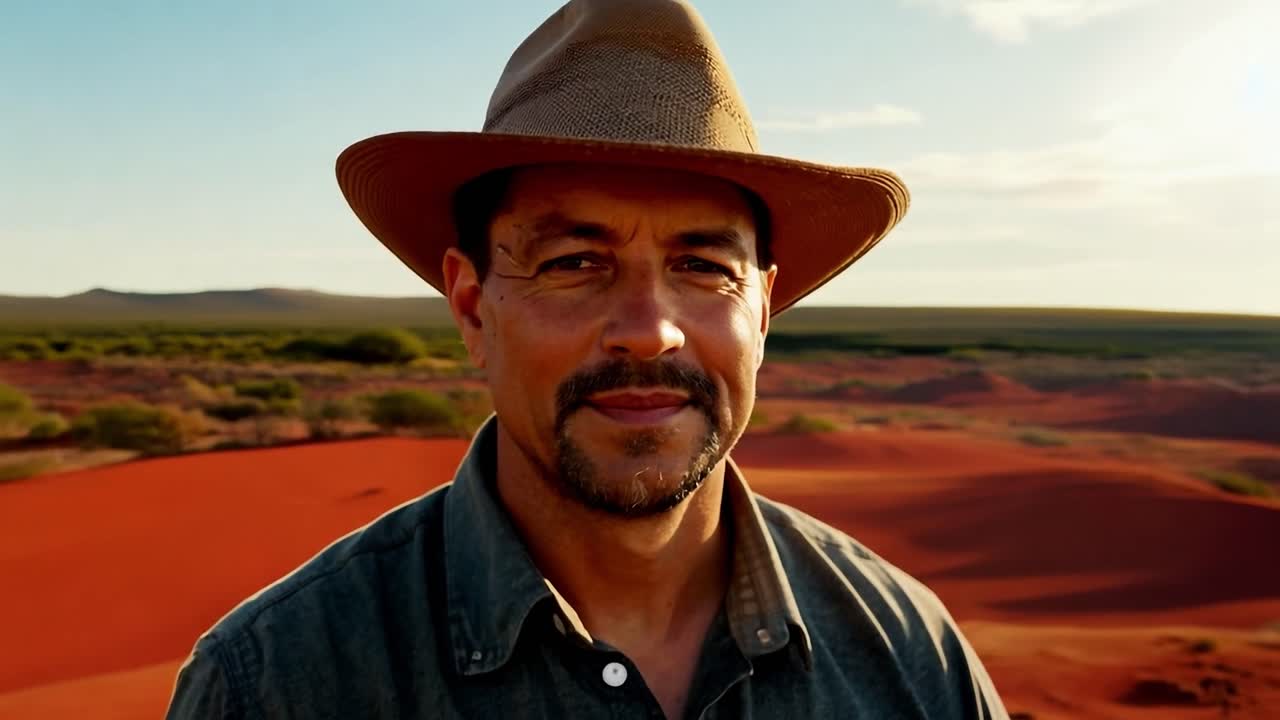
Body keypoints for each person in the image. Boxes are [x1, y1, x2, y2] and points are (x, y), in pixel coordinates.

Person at [167, 0, 1008, 717]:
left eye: (704, 267)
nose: (649, 331)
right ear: (471, 307)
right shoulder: (276, 682)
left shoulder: (910, 657)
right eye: (574, 263)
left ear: (761, 309)